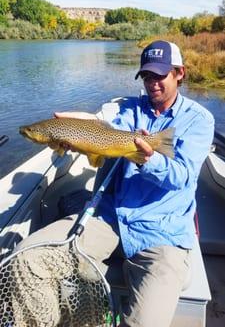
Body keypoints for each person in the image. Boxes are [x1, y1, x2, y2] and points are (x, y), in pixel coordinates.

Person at [14, 40, 214, 327]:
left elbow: (182, 176)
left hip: (162, 234)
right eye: (146, 76)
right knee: (26, 261)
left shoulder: (199, 120)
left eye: (160, 75)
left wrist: (147, 158)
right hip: (108, 218)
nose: (152, 83)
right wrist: (83, 123)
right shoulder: (127, 108)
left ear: (179, 73)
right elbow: (101, 118)